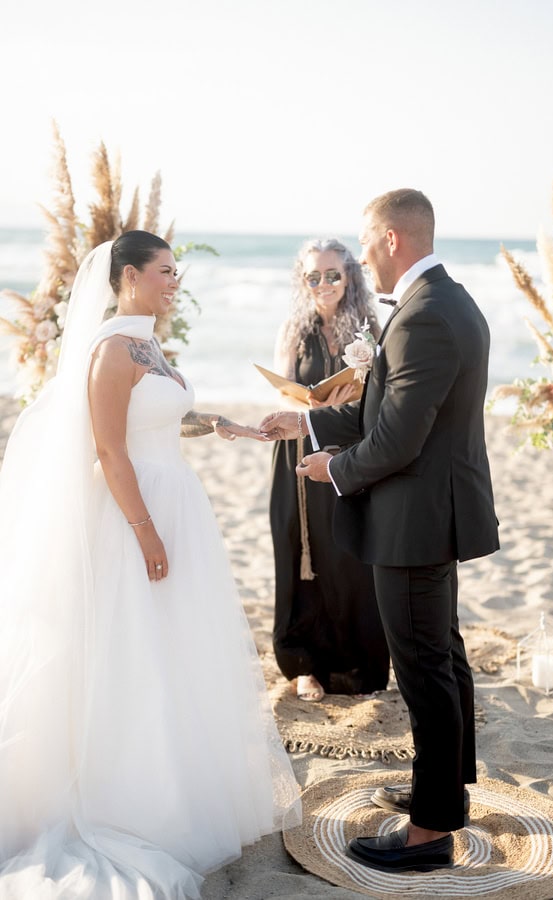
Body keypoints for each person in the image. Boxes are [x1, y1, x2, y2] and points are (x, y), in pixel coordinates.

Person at [0, 231, 299, 898]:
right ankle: (130, 796)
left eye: (175, 270)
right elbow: (110, 450)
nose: (174, 280)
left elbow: (157, 420)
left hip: (178, 506)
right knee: (133, 650)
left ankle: (178, 780)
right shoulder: (109, 350)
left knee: (174, 649)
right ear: (126, 276)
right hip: (138, 516)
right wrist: (145, 532)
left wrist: (229, 424)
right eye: (163, 271)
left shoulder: (150, 343)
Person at [260, 189, 499, 872]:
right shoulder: (444, 301)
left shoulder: (425, 316)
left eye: (365, 245)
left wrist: (331, 470)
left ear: (393, 240)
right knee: (442, 654)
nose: (362, 258)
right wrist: (305, 421)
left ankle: (430, 833)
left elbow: (392, 440)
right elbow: (383, 410)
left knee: (424, 666)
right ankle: (443, 791)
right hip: (432, 512)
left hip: (416, 520)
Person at [270, 237, 389, 702]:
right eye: (313, 276)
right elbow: (281, 390)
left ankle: (355, 661)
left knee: (347, 555)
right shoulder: (293, 329)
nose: (323, 284)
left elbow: (380, 397)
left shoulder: (368, 328)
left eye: (332, 274)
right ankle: (305, 664)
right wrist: (310, 404)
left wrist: (347, 403)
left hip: (348, 451)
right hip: (296, 448)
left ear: (350, 277)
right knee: (300, 554)